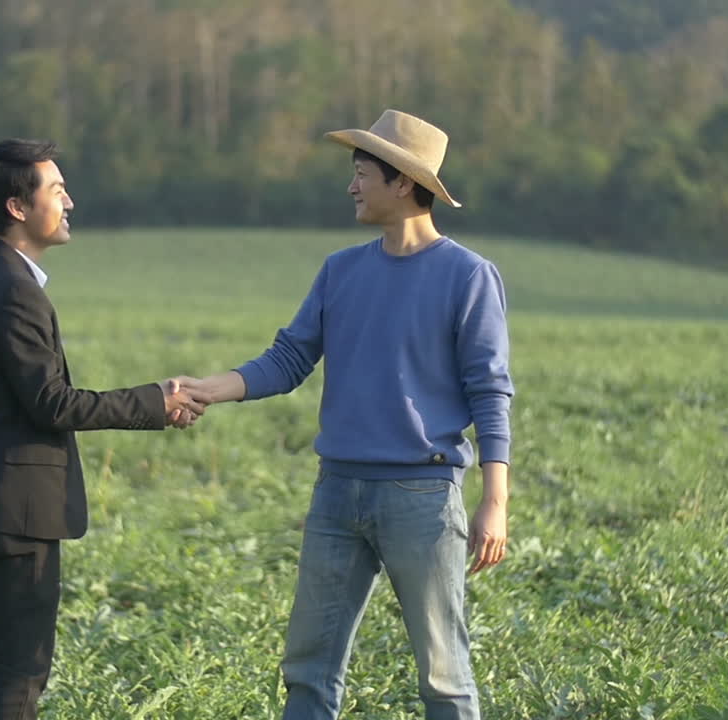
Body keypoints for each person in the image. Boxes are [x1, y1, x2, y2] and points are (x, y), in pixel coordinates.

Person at [182, 110, 513, 720]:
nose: (351, 186)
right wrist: (209, 388)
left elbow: (490, 392)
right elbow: (287, 360)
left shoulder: (468, 276)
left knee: (444, 676)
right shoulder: (341, 270)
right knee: (308, 669)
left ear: (403, 183)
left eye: (362, 174)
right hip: (337, 492)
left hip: (422, 494)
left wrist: (495, 500)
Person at [0, 138, 205, 720]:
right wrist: (156, 401)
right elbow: (53, 404)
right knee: (19, 671)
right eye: (57, 190)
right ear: (17, 207)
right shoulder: (15, 291)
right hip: (15, 511)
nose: (69, 202)